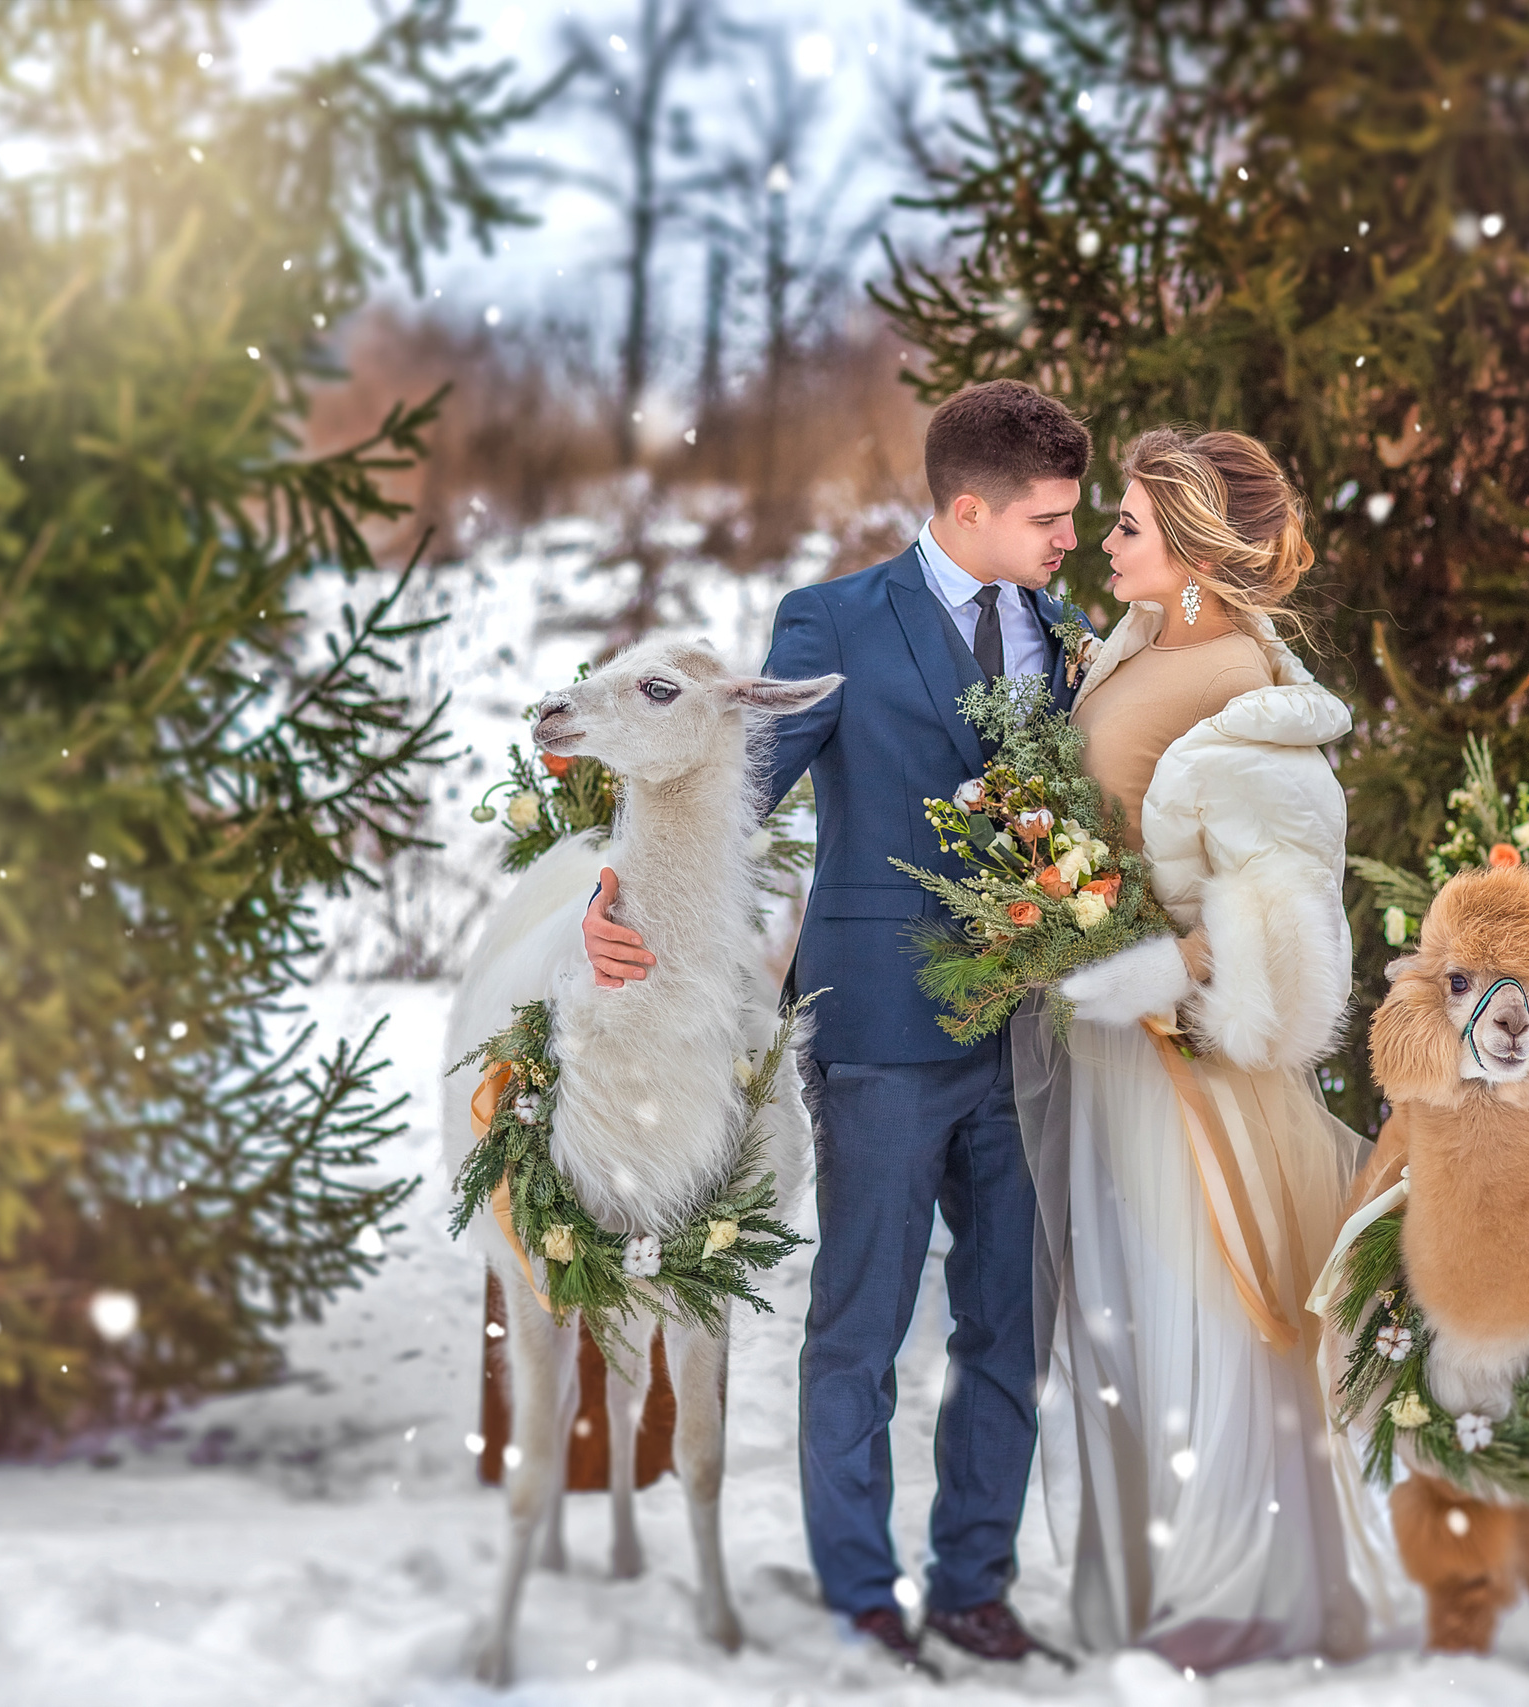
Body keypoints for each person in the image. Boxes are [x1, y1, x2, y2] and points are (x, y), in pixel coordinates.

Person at [580, 379, 1091, 1675]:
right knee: (858, 1326)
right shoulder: (833, 621)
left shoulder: (1070, 634)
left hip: (1033, 1041)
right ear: (967, 508)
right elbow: (733, 789)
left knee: (1003, 1331)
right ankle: (864, 1592)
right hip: (881, 1033)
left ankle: (976, 1581)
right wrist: (616, 887)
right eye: (1049, 517)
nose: (1069, 541)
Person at [1018, 427, 1371, 1670]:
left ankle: (1238, 1588)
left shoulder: (1243, 689)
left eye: (1126, 525)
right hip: (1110, 1041)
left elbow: (1284, 915)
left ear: (1192, 555)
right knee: (1119, 1319)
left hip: (1189, 1062)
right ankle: (1155, 1581)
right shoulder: (1142, 643)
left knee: (1198, 1309)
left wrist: (1151, 975)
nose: (1104, 543)